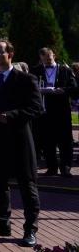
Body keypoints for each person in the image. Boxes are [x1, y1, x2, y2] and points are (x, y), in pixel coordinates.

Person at [0, 38, 41, 247]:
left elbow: (36, 108)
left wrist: (10, 115)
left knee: (26, 185)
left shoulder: (25, 79)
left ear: (10, 54)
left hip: (19, 139)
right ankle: (2, 223)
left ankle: (30, 229)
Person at [31, 47, 77, 177]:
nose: (47, 60)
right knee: (47, 141)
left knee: (65, 141)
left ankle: (66, 167)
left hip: (62, 110)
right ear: (40, 58)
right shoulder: (36, 71)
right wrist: (40, 90)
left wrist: (63, 90)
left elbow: (74, 88)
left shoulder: (65, 70)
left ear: (54, 55)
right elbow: (32, 88)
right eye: (44, 58)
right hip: (45, 111)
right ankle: (51, 167)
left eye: (49, 57)